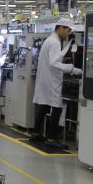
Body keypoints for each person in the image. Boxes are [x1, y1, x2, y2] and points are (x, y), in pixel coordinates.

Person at [31, 18, 82, 147]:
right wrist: (71, 69)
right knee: (57, 108)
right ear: (61, 28)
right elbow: (54, 63)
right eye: (68, 31)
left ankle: (36, 133)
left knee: (44, 106)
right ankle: (51, 139)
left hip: (45, 79)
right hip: (51, 81)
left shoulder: (50, 40)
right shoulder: (54, 42)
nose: (68, 33)